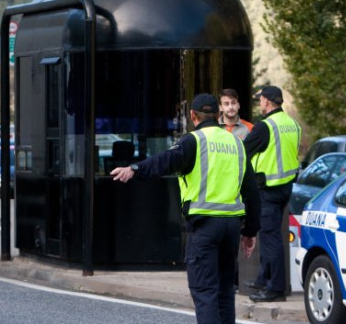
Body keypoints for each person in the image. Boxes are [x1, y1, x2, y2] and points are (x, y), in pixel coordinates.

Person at [111, 93, 260, 324]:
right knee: (224, 292)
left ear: (193, 116)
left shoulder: (194, 141)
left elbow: (165, 160)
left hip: (204, 228)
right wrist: (250, 231)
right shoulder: (237, 144)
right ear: (218, 114)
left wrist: (135, 169)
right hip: (231, 227)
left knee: (205, 291)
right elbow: (251, 191)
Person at [243, 85, 301, 302]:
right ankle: (263, 279)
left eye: (261, 100)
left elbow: (243, 151)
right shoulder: (292, 124)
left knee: (270, 239)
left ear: (267, 101)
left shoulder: (265, 126)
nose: (260, 103)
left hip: (268, 189)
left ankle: (275, 289)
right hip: (285, 187)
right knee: (271, 236)